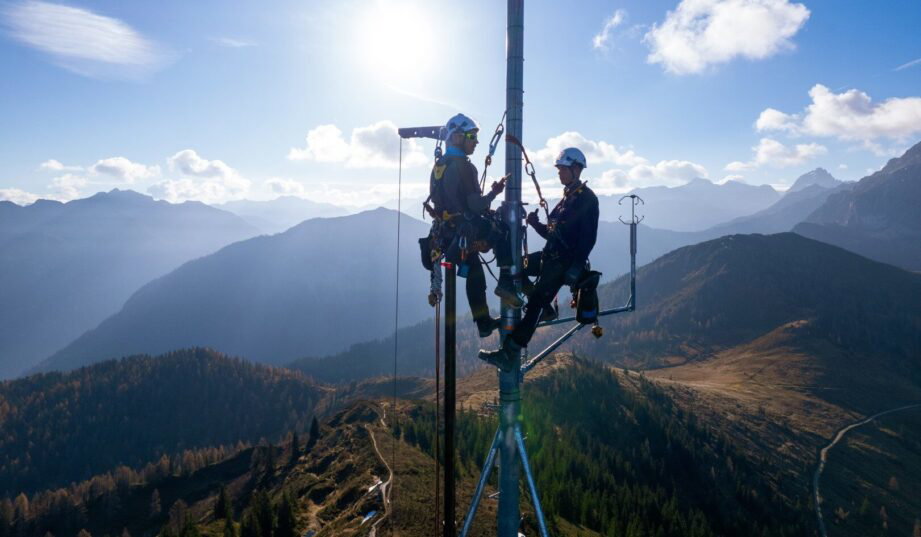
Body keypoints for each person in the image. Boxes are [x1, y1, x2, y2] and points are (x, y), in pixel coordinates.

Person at [478, 147, 599, 370]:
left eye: (563, 169)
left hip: (562, 264)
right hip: (550, 257)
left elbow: (588, 238)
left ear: (575, 169)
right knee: (517, 267)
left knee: (534, 306)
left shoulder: (586, 199)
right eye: (559, 169)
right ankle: (545, 308)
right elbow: (552, 232)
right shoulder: (568, 198)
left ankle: (509, 352)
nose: (559, 173)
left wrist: (576, 266)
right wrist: (535, 224)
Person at [429, 113, 524, 338]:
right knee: (503, 229)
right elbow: (476, 205)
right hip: (465, 228)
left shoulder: (439, 165)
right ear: (457, 137)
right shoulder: (464, 167)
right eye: (471, 136)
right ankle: (505, 282)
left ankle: (483, 323)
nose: (476, 141)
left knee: (475, 275)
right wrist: (495, 192)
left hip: (446, 231)